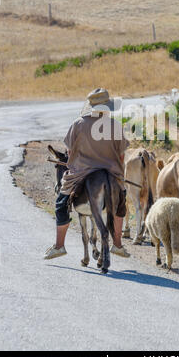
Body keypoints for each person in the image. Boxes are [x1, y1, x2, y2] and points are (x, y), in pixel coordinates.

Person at [44, 88, 130, 260]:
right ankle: (118, 245)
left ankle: (59, 246)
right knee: (121, 203)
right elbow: (121, 156)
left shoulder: (78, 123)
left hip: (80, 173)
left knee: (61, 204)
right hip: (110, 174)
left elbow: (69, 152)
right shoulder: (116, 126)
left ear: (91, 105)